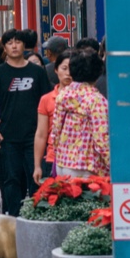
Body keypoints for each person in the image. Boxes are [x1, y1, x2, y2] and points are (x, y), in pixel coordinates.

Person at [0, 30, 52, 215]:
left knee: (37, 179)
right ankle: (14, 220)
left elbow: (46, 102)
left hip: (35, 137)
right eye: (10, 43)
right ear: (4, 47)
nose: (14, 46)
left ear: (24, 45)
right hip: (8, 137)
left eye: (18, 42)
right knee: (11, 181)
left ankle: (37, 218)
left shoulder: (38, 72)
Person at [46, 46, 110, 180]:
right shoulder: (96, 100)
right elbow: (101, 138)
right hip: (86, 165)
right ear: (98, 73)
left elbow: (56, 131)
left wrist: (58, 153)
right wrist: (112, 164)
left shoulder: (63, 94)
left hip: (63, 163)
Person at [31, 48, 74, 182]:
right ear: (56, 70)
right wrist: (37, 166)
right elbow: (41, 134)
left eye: (72, 69)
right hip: (53, 158)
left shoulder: (85, 98)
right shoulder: (47, 99)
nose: (68, 73)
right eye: (64, 68)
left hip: (79, 160)